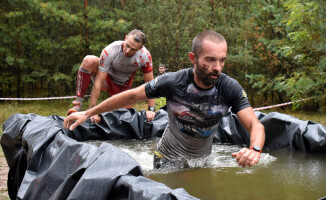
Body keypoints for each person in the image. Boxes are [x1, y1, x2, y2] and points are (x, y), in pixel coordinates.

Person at [64, 30, 265, 168]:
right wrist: (89, 112)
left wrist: (255, 149)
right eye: (210, 60)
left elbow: (256, 126)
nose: (217, 67)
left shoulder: (229, 87)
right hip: (165, 161)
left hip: (202, 162)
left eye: (222, 60)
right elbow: (133, 95)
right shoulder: (173, 81)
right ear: (193, 58)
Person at [68, 29, 156, 122]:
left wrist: (151, 109)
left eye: (133, 49)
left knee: (125, 118)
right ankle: (78, 104)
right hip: (106, 81)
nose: (127, 51)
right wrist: (91, 112)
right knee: (88, 60)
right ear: (125, 38)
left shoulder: (145, 56)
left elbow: (150, 83)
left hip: (122, 88)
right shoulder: (111, 50)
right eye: (127, 45)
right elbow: (98, 83)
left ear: (140, 48)